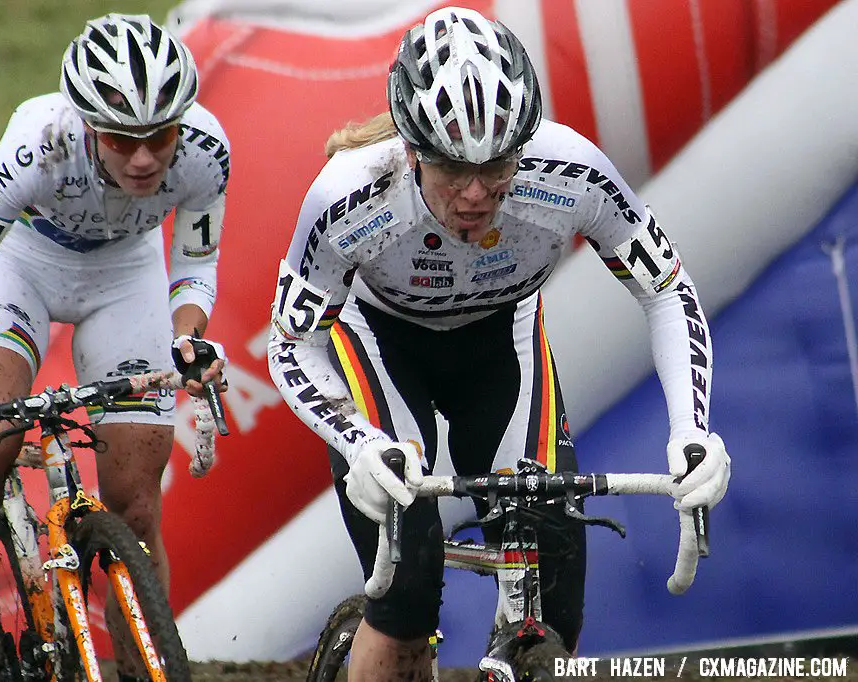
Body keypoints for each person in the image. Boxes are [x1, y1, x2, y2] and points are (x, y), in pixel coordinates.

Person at [267, 6, 730, 680]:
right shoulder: (352, 196)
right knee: (409, 590)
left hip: (499, 344)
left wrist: (692, 430)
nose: (477, 194)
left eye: (499, 166)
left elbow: (666, 290)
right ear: (411, 149)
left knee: (555, 605)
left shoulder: (572, 173)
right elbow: (292, 342)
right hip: (381, 343)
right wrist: (356, 440)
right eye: (453, 169)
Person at [0, 14, 228, 679]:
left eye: (160, 136)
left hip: (125, 272)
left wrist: (189, 343)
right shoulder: (37, 146)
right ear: (87, 124)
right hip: (21, 263)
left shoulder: (206, 150)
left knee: (136, 504)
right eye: (120, 138)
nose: (144, 159)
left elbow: (195, 265)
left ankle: (144, 667)